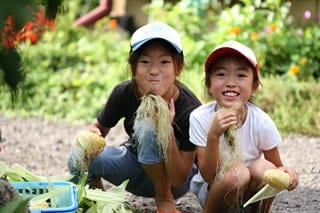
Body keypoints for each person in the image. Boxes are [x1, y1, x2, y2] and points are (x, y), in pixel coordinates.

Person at [68, 21, 201, 213]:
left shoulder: (190, 110)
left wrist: (167, 130)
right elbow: (99, 129)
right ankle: (101, 201)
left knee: (148, 123)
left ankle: (164, 199)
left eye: (164, 62)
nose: (154, 71)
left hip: (173, 181)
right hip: (135, 165)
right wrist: (92, 135)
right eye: (145, 62)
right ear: (133, 67)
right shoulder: (124, 92)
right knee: (77, 156)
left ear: (178, 67)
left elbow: (180, 178)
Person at [189, 40, 299, 212]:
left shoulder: (261, 121)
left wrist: (287, 173)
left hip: (249, 194)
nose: (230, 82)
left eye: (240, 75)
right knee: (238, 174)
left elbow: (277, 169)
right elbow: (208, 175)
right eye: (220, 74)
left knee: (264, 168)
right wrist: (213, 136)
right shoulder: (200, 117)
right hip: (214, 190)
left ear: (254, 86)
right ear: (209, 85)